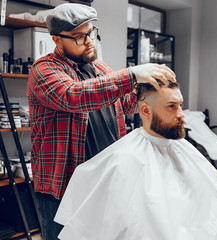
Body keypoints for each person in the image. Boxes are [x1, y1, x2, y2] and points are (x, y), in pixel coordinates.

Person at [26, 3, 175, 240]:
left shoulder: (101, 69)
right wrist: (133, 73)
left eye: (91, 32)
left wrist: (150, 90)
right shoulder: (43, 69)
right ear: (57, 40)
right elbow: (74, 95)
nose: (89, 41)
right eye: (79, 37)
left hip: (105, 179)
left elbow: (123, 103)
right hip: (64, 185)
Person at [54, 80, 217, 240]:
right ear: (146, 111)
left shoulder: (184, 149)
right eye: (171, 107)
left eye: (180, 105)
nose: (182, 114)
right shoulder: (126, 158)